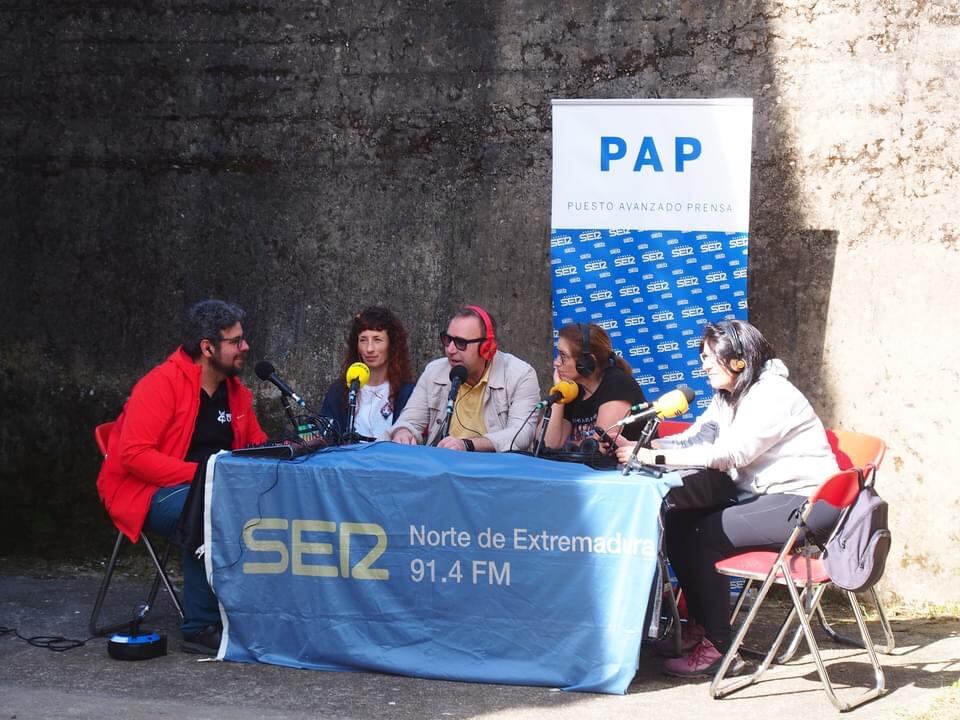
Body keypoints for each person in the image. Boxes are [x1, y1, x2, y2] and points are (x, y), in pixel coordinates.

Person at [616, 319, 841, 678]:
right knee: (677, 519)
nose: (703, 364)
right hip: (770, 498)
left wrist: (651, 458)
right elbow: (696, 439)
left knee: (708, 535)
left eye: (710, 357)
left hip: (808, 503)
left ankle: (721, 649)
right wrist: (645, 446)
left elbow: (731, 454)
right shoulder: (729, 396)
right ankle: (701, 627)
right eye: (702, 356)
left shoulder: (772, 395)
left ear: (739, 359)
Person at [96, 300, 267, 654]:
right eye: (236, 341)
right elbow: (134, 455)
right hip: (146, 491)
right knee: (209, 510)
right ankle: (201, 625)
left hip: (213, 488)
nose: (245, 347)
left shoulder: (236, 394)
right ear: (208, 348)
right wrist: (205, 475)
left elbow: (257, 444)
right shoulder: (160, 384)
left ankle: (252, 612)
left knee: (268, 502)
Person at [388, 305, 540, 452]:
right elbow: (409, 420)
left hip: (496, 471)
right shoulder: (434, 371)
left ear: (486, 348)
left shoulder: (520, 375)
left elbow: (522, 433)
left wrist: (467, 445)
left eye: (461, 343)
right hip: (443, 469)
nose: (450, 350)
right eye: (447, 339)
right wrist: (403, 432)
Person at [542, 322, 647, 451]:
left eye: (563, 356)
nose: (556, 363)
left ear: (586, 362)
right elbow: (547, 445)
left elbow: (599, 447)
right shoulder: (574, 388)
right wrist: (559, 394)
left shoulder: (618, 384)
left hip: (623, 468)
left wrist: (569, 446)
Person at [320, 306, 416, 440]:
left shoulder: (407, 393)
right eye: (363, 340)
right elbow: (325, 437)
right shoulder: (340, 390)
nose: (369, 349)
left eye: (377, 340)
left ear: (392, 345)